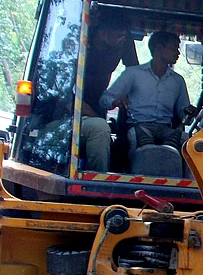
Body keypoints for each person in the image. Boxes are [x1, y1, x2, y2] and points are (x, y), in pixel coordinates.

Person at [99, 31, 190, 150]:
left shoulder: (178, 80)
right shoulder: (133, 73)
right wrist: (115, 102)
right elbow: (104, 99)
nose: (177, 53)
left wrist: (189, 113)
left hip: (167, 130)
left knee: (190, 145)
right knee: (140, 144)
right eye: (174, 49)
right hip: (139, 126)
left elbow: (185, 116)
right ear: (159, 48)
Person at [80, 12, 138, 172]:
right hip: (75, 94)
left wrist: (123, 95)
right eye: (119, 36)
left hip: (99, 95)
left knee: (102, 134)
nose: (123, 39)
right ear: (103, 34)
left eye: (124, 36)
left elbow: (134, 71)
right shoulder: (82, 40)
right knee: (98, 127)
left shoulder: (124, 41)